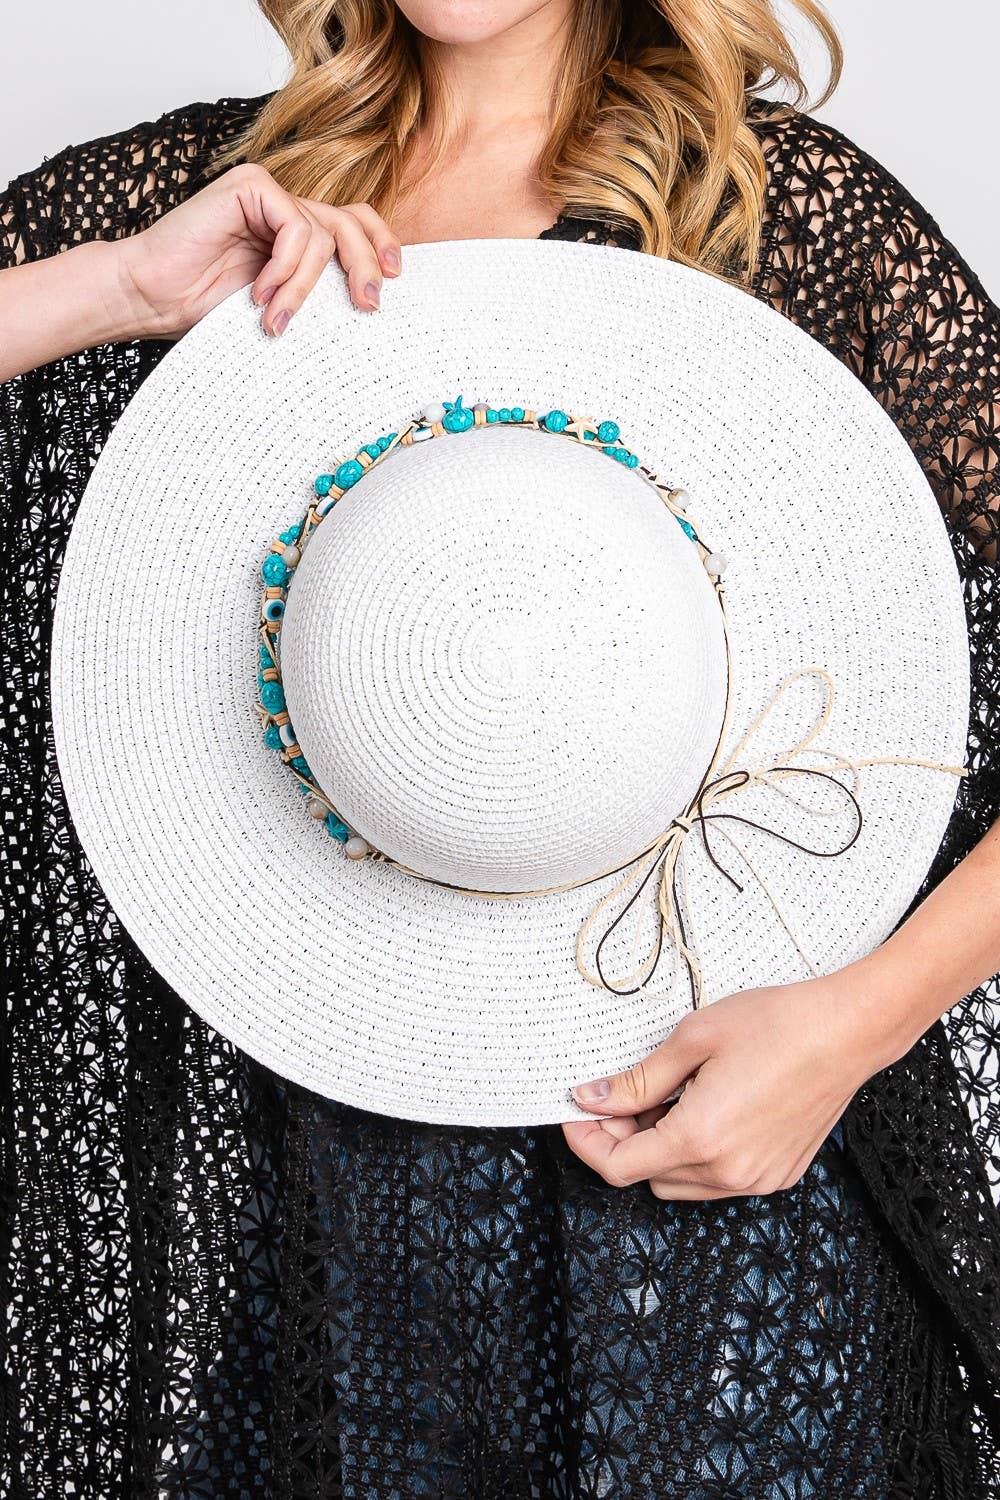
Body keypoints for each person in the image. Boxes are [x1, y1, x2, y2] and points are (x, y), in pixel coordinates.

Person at [2, 2, 999, 1495]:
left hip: (723, 1216)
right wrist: (106, 290)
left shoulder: (783, 212)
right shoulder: (210, 200)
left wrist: (858, 1021)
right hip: (332, 1224)